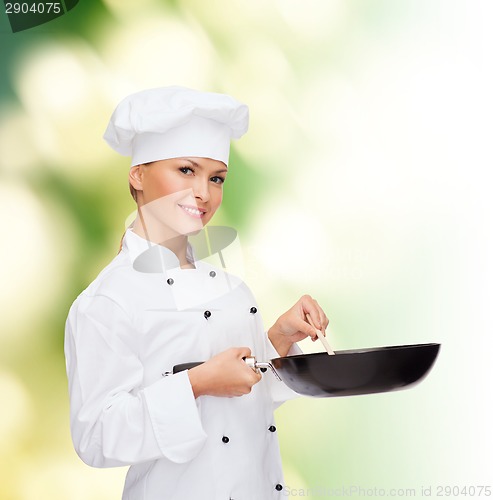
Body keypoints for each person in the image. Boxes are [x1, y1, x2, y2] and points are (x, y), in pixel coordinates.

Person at [64, 86, 329, 500]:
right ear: (137, 174)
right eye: (186, 170)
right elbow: (97, 436)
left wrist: (279, 338)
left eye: (216, 177)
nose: (204, 193)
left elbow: (243, 400)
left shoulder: (232, 288)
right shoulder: (108, 300)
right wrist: (196, 384)